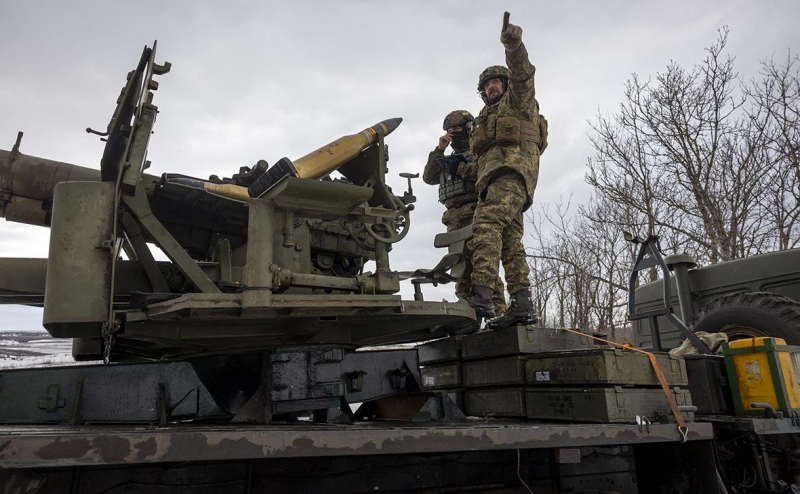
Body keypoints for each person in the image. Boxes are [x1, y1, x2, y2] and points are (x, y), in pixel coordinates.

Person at [465, 15, 547, 330]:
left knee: (484, 224)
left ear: (506, 84)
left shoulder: (519, 102)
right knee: (511, 243)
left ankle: (482, 294)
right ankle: (522, 305)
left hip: (512, 176)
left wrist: (514, 45)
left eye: (497, 81)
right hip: (496, 182)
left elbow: (523, 73)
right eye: (487, 85)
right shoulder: (483, 121)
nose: (492, 87)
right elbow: (479, 161)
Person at [423, 111, 507, 327]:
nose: (452, 136)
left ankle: (498, 315)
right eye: (449, 132)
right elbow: (429, 177)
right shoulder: (446, 156)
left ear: (468, 129)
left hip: (476, 216)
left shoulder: (479, 151)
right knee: (461, 272)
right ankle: (468, 319)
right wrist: (440, 150)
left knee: (484, 269)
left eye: (456, 131)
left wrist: (459, 167)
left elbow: (483, 173)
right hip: (453, 220)